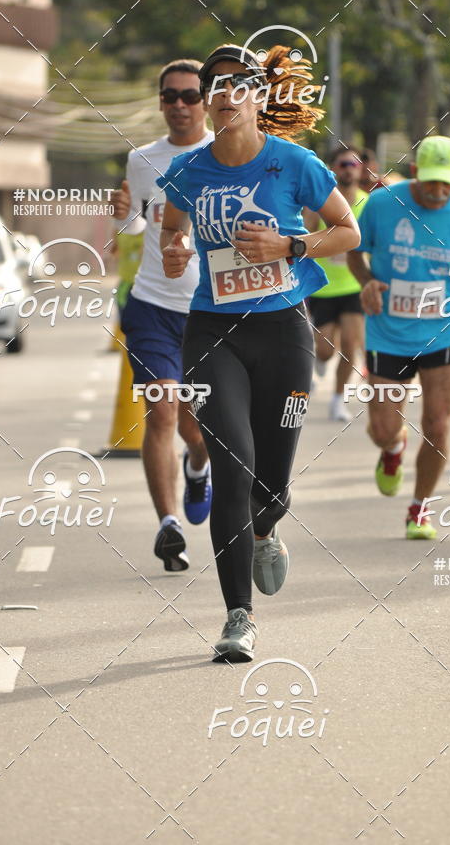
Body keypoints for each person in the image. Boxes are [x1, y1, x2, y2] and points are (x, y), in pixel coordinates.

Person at [157, 44, 360, 661]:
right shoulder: (190, 173)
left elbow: (348, 231)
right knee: (234, 468)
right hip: (213, 332)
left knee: (271, 486)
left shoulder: (294, 164)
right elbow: (172, 230)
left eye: (234, 85)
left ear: (258, 94)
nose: (221, 96)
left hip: (285, 334)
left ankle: (267, 527)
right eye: (212, 87)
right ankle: (237, 616)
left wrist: (290, 247)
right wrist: (174, 252)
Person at [347, 136, 450, 539]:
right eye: (431, 183)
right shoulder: (382, 204)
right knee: (382, 428)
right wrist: (366, 282)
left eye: (447, 184)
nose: (438, 192)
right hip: (388, 332)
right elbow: (351, 249)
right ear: (415, 173)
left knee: (437, 425)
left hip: (443, 332)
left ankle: (420, 510)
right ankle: (393, 450)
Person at [112, 59, 214, 573]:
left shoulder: (225, 155)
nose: (179, 105)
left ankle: (198, 465)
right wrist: (121, 213)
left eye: (190, 96)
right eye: (170, 96)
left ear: (206, 99)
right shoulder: (141, 160)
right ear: (160, 101)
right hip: (152, 305)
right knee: (163, 411)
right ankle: (168, 524)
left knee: (197, 429)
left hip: (208, 311)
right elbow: (133, 230)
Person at [306, 145, 368, 421]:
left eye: (353, 164)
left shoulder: (368, 202)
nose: (348, 169)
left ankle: (337, 399)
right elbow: (304, 234)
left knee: (351, 343)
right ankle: (319, 359)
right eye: (343, 164)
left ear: (360, 170)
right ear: (332, 169)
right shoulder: (321, 201)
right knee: (325, 349)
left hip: (354, 285)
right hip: (324, 286)